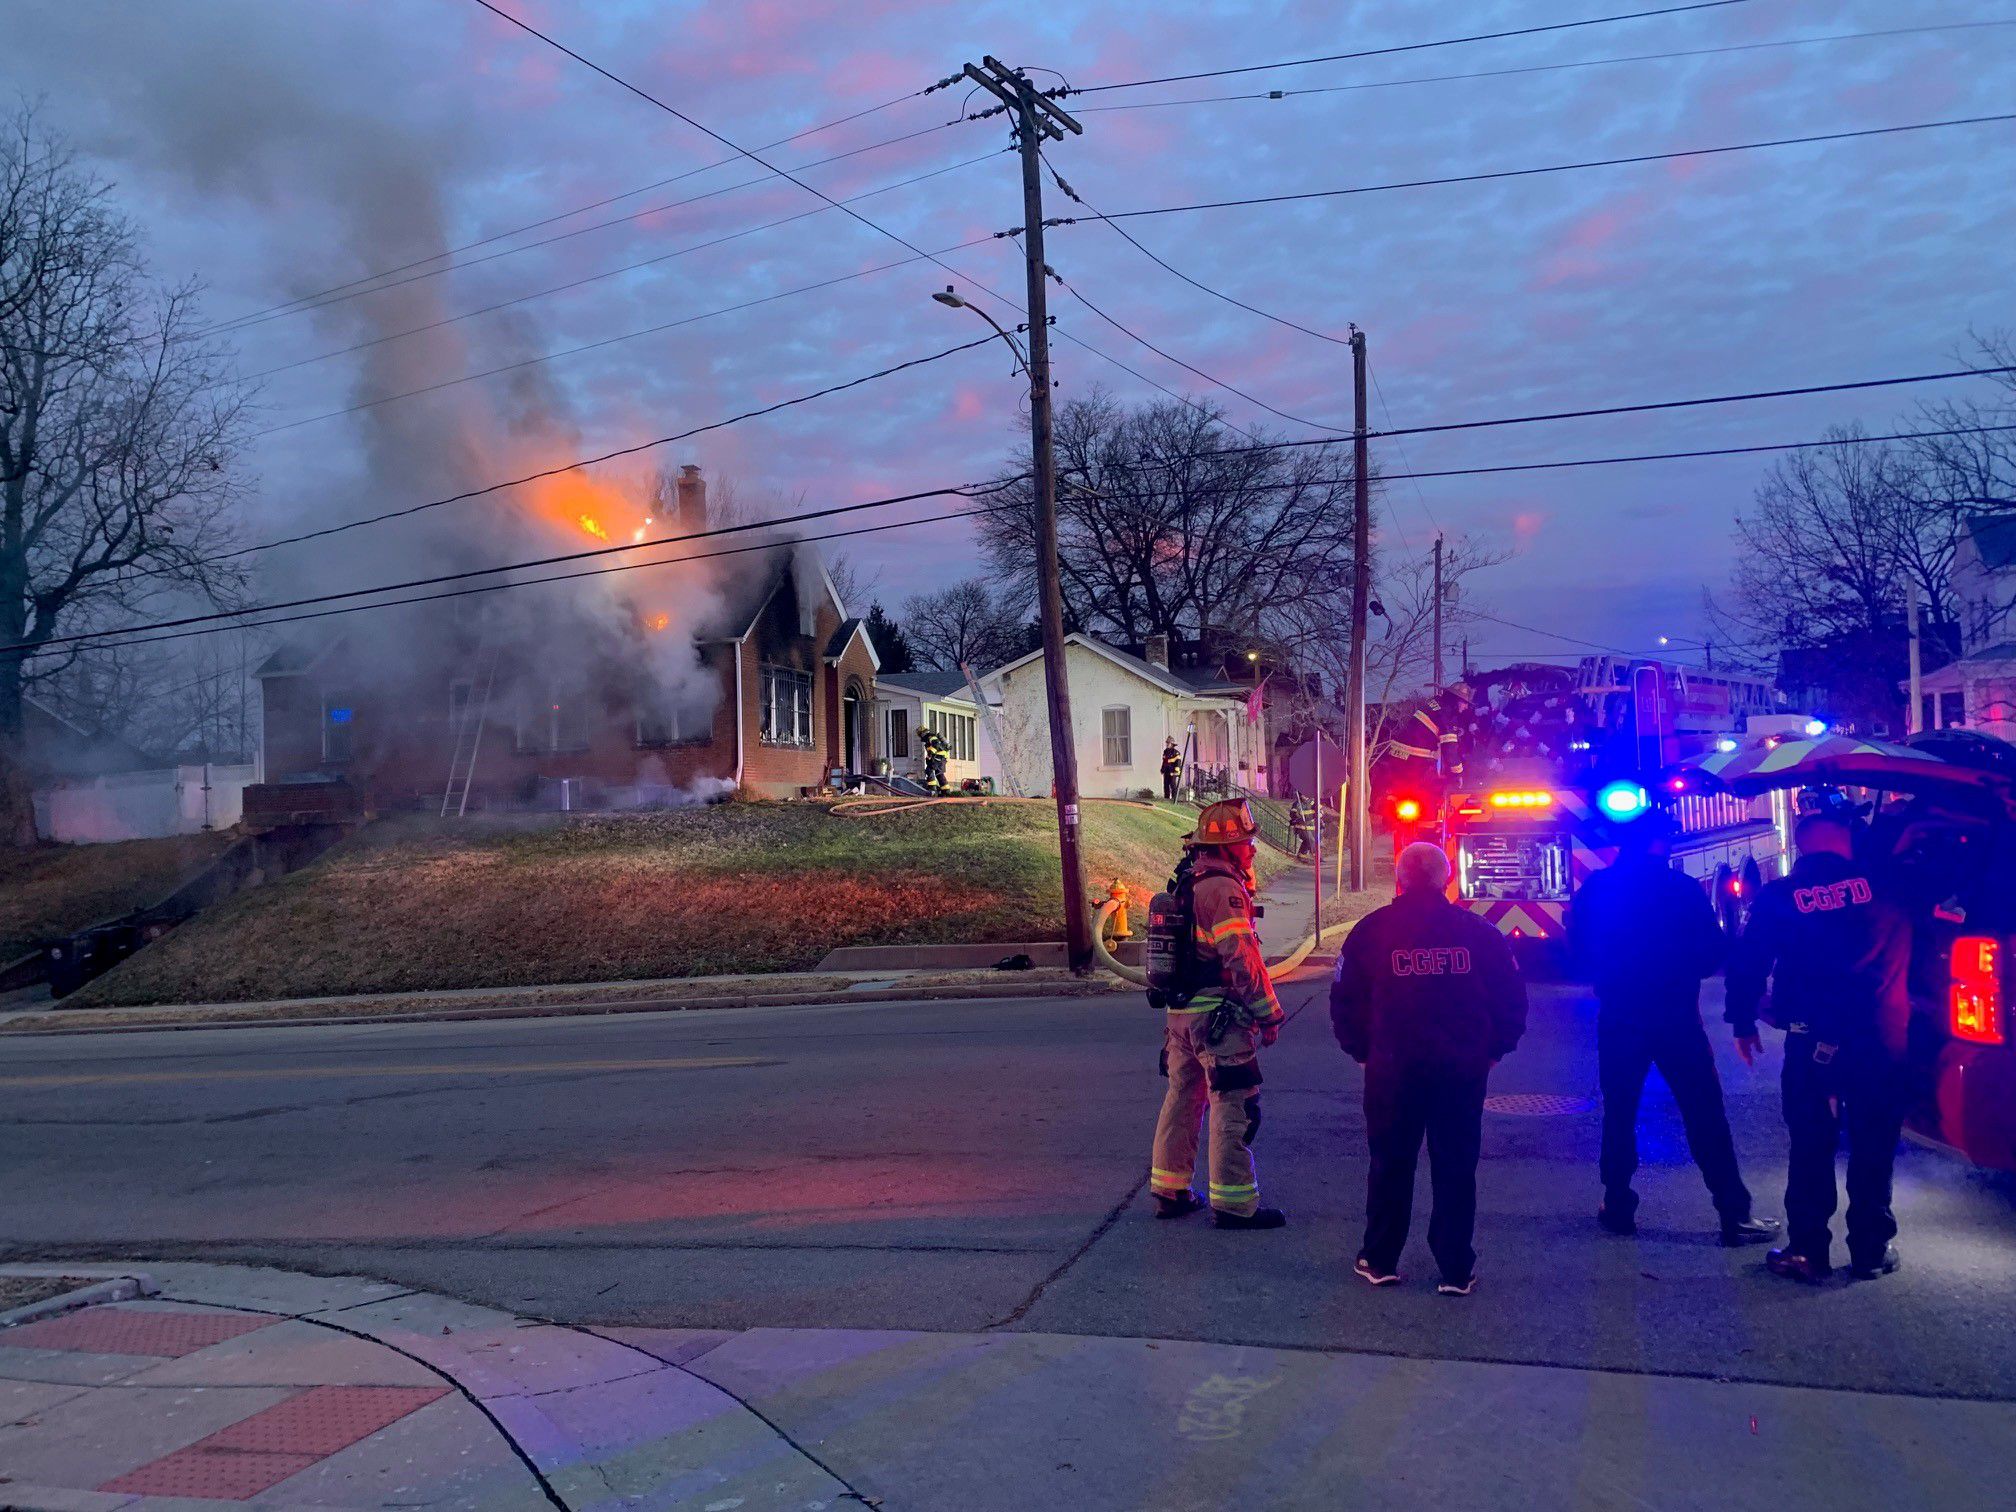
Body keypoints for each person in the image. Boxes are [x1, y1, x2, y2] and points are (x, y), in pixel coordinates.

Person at [1569, 816, 1780, 1247]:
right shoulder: (1681, 889)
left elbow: (1575, 948)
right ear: (1660, 844)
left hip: (1620, 1013)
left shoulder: (1597, 887)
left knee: (1620, 1110)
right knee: (1704, 1112)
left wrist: (1609, 973)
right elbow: (1712, 951)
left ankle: (1619, 1205)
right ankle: (1733, 1213)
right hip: (1676, 1015)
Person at [1330, 842, 1527, 1293]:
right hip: (1460, 1071)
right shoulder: (1479, 933)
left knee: (1390, 1163)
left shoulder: (1371, 931)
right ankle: (1456, 1268)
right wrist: (1495, 1050)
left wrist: (1361, 1050)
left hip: (1392, 1071)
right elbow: (1512, 998)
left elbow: (1344, 998)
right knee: (1456, 1165)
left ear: (1398, 879)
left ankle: (1380, 1259)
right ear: (1448, 878)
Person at [1727, 814, 1913, 1283]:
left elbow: (1749, 960)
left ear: (1802, 845)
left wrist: (1743, 1020)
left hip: (1814, 1042)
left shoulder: (1781, 896)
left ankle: (1808, 1251)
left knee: (1811, 1145)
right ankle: (1871, 1249)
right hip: (1881, 1040)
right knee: (1874, 1144)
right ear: (1848, 839)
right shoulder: (1891, 884)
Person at [1148, 797, 1288, 1230]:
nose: (1252, 851)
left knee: (1183, 1099)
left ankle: (1169, 1190)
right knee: (1234, 1103)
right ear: (1228, 847)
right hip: (1218, 1020)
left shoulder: (1188, 881)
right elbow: (1242, 958)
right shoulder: (1223, 890)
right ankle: (1234, 1204)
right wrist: (1269, 1014)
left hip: (1181, 1018)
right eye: (1246, 843)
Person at [918, 725, 950, 795]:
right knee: (939, 774)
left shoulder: (931, 737)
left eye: (920, 734)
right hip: (942, 757)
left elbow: (935, 745)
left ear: (922, 733)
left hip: (938, 757)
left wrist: (930, 754)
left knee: (929, 770)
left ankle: (932, 790)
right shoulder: (931, 737)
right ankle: (946, 791)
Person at [1289, 792, 1315, 857]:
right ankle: (1316, 855)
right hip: (1300, 826)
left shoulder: (1312, 802)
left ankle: (1301, 854)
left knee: (1309, 839)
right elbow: (1292, 814)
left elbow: (1320, 810)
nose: (1304, 796)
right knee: (1310, 839)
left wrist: (1320, 814)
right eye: (1303, 794)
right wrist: (1296, 817)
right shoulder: (1297, 804)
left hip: (1310, 825)